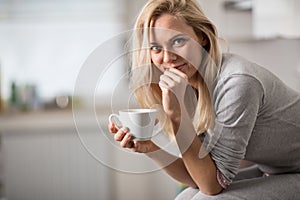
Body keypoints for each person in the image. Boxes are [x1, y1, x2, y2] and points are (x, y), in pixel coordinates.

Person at [108, 0, 300, 199]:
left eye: (177, 41)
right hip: (276, 169)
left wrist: (177, 114)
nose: (167, 58)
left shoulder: (237, 84)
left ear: (202, 37)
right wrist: (150, 148)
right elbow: (201, 176)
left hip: (293, 170)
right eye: (156, 48)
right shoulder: (190, 87)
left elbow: (211, 185)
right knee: (184, 197)